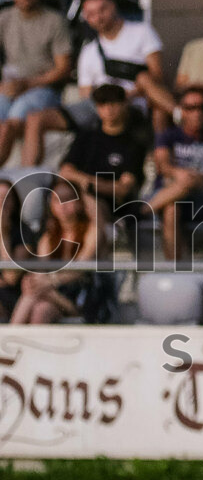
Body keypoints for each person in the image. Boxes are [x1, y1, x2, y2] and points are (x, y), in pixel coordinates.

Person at [22, 0, 174, 164]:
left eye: (103, 9)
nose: (98, 17)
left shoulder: (141, 31)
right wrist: (102, 103)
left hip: (132, 103)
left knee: (143, 82)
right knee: (35, 119)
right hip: (98, 106)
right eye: (91, 13)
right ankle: (25, 177)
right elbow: (85, 94)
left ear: (113, 7)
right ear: (86, 18)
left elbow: (157, 76)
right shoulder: (89, 51)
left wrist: (121, 97)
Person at [9, 178, 110, 324]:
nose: (62, 205)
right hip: (53, 294)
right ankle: (12, 340)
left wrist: (49, 282)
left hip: (83, 297)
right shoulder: (48, 237)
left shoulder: (92, 231)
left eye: (68, 199)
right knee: (40, 307)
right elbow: (41, 269)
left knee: (36, 299)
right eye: (57, 200)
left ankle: (8, 339)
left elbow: (81, 268)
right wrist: (32, 281)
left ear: (80, 202)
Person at [0, 0, 73, 165]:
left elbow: (63, 69)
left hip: (43, 87)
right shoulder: (4, 18)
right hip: (10, 87)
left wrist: (28, 83)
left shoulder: (54, 21)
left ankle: (21, 184)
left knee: (8, 126)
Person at [58, 83, 149, 241]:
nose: (108, 109)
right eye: (102, 105)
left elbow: (124, 189)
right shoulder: (86, 138)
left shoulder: (134, 143)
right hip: (83, 203)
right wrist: (88, 183)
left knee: (89, 196)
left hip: (116, 207)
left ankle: (102, 238)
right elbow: (65, 171)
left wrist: (91, 184)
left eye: (113, 104)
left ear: (124, 104)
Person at [150, 87, 203, 262]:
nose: (196, 113)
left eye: (202, 107)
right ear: (181, 110)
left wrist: (188, 179)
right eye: (190, 108)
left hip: (202, 201)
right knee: (172, 207)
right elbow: (163, 166)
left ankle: (142, 210)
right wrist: (180, 174)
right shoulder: (168, 136)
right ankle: (176, 269)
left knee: (193, 179)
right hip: (169, 197)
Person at [0, 178, 30, 321]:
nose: (2, 204)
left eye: (7, 198)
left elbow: (11, 277)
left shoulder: (23, 232)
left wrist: (4, 236)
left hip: (10, 295)